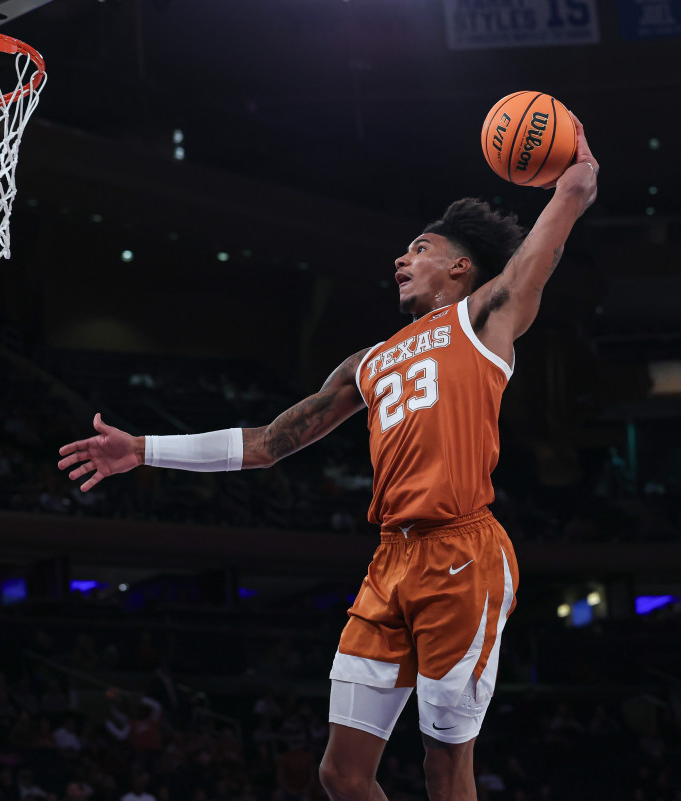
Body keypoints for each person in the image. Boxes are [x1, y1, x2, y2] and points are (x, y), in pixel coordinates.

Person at [58, 117, 599, 801]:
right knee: (341, 774)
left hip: (461, 554)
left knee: (444, 768)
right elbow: (267, 443)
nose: (401, 259)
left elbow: (533, 260)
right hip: (389, 561)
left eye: (419, 248)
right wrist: (142, 449)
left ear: (460, 266)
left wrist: (575, 188)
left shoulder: (484, 318)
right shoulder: (365, 362)